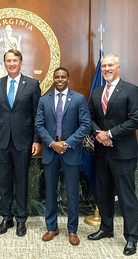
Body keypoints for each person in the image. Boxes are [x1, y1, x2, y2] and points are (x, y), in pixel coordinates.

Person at [87, 54, 138, 256]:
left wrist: (109, 134)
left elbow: (136, 120)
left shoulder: (131, 90)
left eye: (110, 65)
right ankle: (106, 227)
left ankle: (131, 238)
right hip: (102, 152)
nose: (107, 69)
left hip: (124, 153)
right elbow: (89, 118)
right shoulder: (96, 92)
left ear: (118, 67)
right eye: (103, 66)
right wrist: (99, 135)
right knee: (103, 193)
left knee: (127, 197)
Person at [35, 67, 91, 245]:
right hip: (51, 151)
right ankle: (52, 227)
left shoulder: (78, 99)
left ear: (68, 79)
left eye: (63, 77)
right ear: (53, 79)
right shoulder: (44, 100)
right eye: (57, 77)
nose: (60, 80)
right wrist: (52, 143)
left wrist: (66, 144)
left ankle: (72, 230)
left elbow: (85, 125)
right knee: (50, 192)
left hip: (71, 152)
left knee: (72, 193)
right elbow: (39, 124)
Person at [0, 49, 41, 237]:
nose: (11, 63)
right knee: (4, 182)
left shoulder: (33, 84)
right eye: (8, 60)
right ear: (4, 63)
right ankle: (6, 217)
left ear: (21, 63)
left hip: (24, 141)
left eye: (15, 60)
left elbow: (37, 116)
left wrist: (37, 140)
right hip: (2, 141)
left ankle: (21, 220)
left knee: (21, 181)